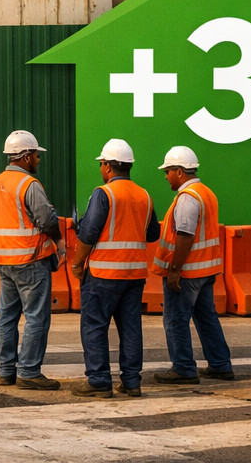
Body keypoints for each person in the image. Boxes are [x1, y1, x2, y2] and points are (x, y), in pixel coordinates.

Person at [70, 138, 161, 399]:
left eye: (102, 164)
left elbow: (88, 234)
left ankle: (98, 380)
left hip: (103, 275)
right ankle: (131, 381)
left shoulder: (104, 193)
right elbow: (152, 233)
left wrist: (78, 263)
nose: (101, 168)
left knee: (94, 325)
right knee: (131, 328)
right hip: (134, 275)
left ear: (108, 166)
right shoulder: (144, 195)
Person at [0, 130, 63, 390]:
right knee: (36, 317)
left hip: (4, 260)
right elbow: (47, 219)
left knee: (7, 316)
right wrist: (59, 242)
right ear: (25, 156)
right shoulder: (29, 185)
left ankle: (6, 371)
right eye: (35, 155)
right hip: (30, 260)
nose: (38, 160)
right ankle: (29, 371)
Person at [152, 146, 234, 384]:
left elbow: (185, 235)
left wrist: (175, 271)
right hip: (205, 270)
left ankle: (184, 368)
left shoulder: (187, 198)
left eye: (167, 171)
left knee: (175, 319)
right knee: (206, 317)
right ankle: (220, 364)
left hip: (188, 273)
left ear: (179, 171)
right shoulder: (205, 192)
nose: (166, 176)